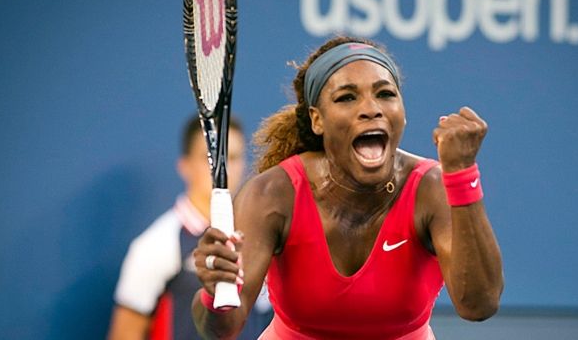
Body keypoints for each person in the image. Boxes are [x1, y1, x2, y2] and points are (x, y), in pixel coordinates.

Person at [192, 36, 504, 339]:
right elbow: (221, 328)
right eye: (347, 97)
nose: (371, 109)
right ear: (318, 120)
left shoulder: (431, 188)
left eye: (385, 94)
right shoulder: (272, 194)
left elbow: (479, 304)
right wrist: (213, 290)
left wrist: (462, 175)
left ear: (403, 112)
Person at [107, 116, 272, 340]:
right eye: (210, 158)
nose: (222, 169)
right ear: (185, 166)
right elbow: (125, 335)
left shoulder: (262, 234)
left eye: (232, 157)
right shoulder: (156, 245)